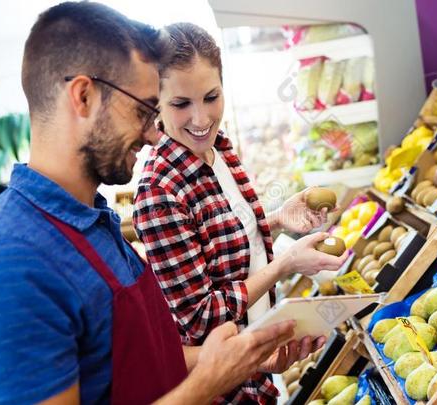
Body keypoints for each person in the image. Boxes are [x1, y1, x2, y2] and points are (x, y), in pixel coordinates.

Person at [0, 3, 301, 404]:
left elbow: (143, 365)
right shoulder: (4, 268)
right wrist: (207, 384)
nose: (154, 135)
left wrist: (241, 360)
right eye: (144, 110)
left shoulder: (92, 225)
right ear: (84, 96)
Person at [133, 23, 348, 404]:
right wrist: (285, 265)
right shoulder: (159, 192)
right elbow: (201, 317)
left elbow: (217, 242)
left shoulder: (218, 152)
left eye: (211, 96)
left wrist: (277, 217)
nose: (201, 119)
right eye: (181, 104)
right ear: (155, 103)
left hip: (256, 376)